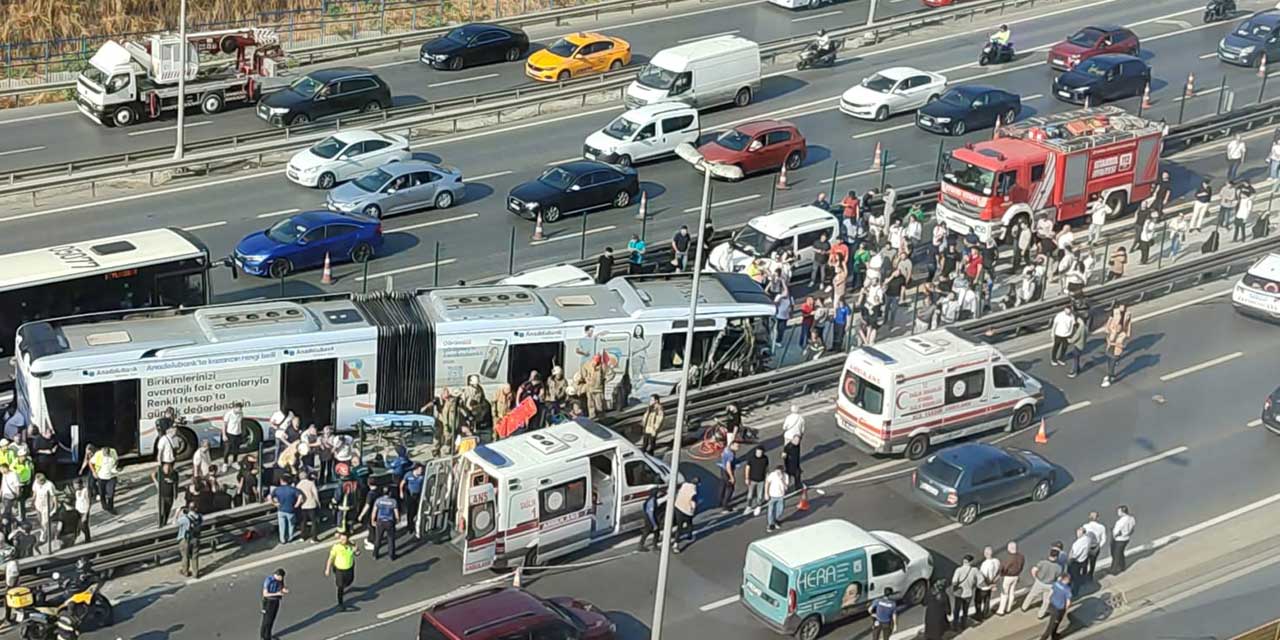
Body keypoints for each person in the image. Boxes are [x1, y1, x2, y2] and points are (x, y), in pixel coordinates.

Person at [1023, 547, 1063, 618]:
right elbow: (1059, 579)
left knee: (1031, 595)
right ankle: (1040, 615)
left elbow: (1034, 570)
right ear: (1057, 557)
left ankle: (1024, 607)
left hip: (1040, 582)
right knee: (1046, 601)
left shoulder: (1042, 562)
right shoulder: (1058, 567)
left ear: (1050, 554)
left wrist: (1035, 577)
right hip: (1050, 585)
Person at [325, 532, 360, 610]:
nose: (343, 540)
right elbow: (331, 558)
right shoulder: (336, 547)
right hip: (339, 569)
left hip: (349, 568)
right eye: (341, 539)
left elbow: (358, 553)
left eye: (344, 539)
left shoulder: (351, 545)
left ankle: (345, 586)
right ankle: (340, 603)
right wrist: (327, 569)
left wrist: (356, 550)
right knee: (340, 586)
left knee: (350, 581)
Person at [1102, 303, 1132, 388]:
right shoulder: (1115, 313)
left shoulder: (1122, 335)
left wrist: (1127, 332)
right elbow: (1110, 319)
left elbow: (1128, 323)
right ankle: (1111, 375)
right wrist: (1108, 328)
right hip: (1110, 347)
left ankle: (1109, 377)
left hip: (1116, 351)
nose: (1122, 308)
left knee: (1112, 362)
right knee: (1109, 361)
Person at [371, 487, 400, 561]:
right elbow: (396, 513)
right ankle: (391, 555)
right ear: (389, 493)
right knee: (390, 539)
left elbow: (374, 511)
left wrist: (373, 520)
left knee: (378, 539)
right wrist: (397, 520)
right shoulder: (393, 501)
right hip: (389, 522)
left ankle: (375, 554)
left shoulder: (378, 500)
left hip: (380, 521)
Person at [951, 554, 979, 630]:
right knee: (965, 610)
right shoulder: (974, 570)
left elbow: (954, 582)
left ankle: (955, 626)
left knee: (956, 610)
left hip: (959, 594)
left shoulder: (958, 570)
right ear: (970, 562)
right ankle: (963, 624)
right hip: (968, 593)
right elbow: (978, 581)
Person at [997, 540, 1025, 615]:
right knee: (1012, 592)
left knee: (1004, 593)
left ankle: (1001, 610)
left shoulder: (1008, 558)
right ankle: (1008, 608)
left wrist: (1001, 574)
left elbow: (1003, 568)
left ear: (1009, 548)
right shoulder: (1021, 556)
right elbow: (1022, 566)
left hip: (1008, 577)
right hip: (1016, 576)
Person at [270, 477, 302, 545]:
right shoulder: (293, 489)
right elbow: (300, 496)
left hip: (281, 510)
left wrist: (274, 503)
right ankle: (290, 538)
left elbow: (270, 497)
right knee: (291, 525)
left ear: (281, 481)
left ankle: (283, 540)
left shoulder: (277, 489)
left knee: (282, 526)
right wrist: (297, 504)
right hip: (291, 510)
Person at [1041, 574, 1072, 640]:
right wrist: (1065, 609)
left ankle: (1054, 634)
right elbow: (1068, 602)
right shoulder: (1067, 589)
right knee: (1052, 624)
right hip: (1059, 609)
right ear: (1066, 580)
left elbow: (1051, 592)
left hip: (1052, 605)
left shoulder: (1056, 584)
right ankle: (1044, 638)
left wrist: (1048, 601)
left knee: (1054, 622)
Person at [176, 504, 202, 578]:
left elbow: (175, 523)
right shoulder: (200, 517)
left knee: (185, 556)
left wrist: (177, 513)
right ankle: (195, 572)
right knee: (195, 556)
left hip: (186, 539)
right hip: (196, 538)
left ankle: (185, 571)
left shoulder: (185, 519)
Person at [260, 568, 288, 640]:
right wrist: (277, 593)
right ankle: (265, 636)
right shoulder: (269, 580)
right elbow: (265, 594)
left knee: (272, 619)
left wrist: (283, 590)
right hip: (269, 602)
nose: (281, 579)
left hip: (276, 601)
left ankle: (268, 634)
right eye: (281, 577)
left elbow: (281, 587)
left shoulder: (280, 580)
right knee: (267, 620)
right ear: (277, 575)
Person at [672, 478, 698, 553]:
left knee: (679, 526)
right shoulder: (694, 492)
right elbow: (693, 503)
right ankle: (689, 536)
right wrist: (693, 509)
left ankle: (676, 543)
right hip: (686, 510)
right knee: (689, 523)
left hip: (678, 506)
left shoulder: (684, 485)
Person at [976, 545, 1001, 621]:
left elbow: (982, 576)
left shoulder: (985, 564)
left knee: (978, 601)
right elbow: (998, 572)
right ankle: (986, 613)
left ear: (986, 554)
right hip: (991, 584)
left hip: (983, 586)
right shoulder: (996, 561)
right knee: (987, 600)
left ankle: (979, 615)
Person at [30, 473, 57, 541]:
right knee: (40, 520)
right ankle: (44, 530)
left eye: (39, 482)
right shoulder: (36, 482)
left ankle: (44, 534)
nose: (37, 483)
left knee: (45, 522)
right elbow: (35, 492)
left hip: (47, 506)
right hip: (38, 505)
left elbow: (54, 497)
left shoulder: (49, 485)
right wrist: (32, 501)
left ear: (42, 480)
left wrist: (55, 507)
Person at [743, 447, 769, 516]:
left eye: (760, 452)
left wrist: (767, 477)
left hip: (761, 480)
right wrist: (747, 478)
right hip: (752, 480)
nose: (758, 454)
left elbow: (766, 468)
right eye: (757, 452)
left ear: (763, 452)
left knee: (760, 495)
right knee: (750, 494)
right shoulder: (751, 458)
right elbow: (747, 468)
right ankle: (748, 506)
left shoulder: (765, 458)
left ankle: (758, 506)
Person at [153, 462, 180, 527]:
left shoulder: (174, 474)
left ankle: (164, 523)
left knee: (167, 511)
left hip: (170, 496)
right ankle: (161, 524)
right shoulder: (160, 473)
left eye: (168, 468)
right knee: (162, 511)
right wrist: (155, 482)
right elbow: (153, 476)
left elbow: (176, 484)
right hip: (162, 496)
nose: (166, 470)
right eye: (165, 468)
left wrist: (176, 494)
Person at [297, 473, 321, 542]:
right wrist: (318, 502)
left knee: (303, 522)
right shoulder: (311, 483)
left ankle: (302, 536)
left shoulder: (298, 485)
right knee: (314, 522)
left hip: (303, 506)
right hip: (311, 505)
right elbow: (315, 493)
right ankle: (314, 538)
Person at [1112, 505, 1136, 573]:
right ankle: (1122, 566)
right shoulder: (1132, 518)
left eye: (1119, 511)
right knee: (1121, 552)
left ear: (1122, 512)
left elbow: (1116, 532)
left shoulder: (1120, 522)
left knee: (1116, 554)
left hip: (1120, 539)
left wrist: (1114, 536)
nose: (1118, 513)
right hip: (1127, 538)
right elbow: (1132, 529)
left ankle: (1114, 570)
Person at [1066, 307, 1088, 378]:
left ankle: (1074, 372)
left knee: (1075, 359)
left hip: (1078, 345)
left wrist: (1069, 340)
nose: (1077, 319)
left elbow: (1075, 337)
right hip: (1082, 345)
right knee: (1077, 358)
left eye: (1078, 319)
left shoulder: (1081, 328)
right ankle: (1077, 369)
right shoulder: (1085, 327)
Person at [765, 465, 788, 532]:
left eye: (779, 472)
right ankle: (770, 524)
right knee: (770, 511)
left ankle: (775, 519)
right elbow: (767, 483)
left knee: (780, 510)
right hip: (772, 496)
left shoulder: (785, 476)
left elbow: (786, 487)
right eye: (777, 472)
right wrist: (766, 493)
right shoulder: (772, 475)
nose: (777, 473)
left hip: (781, 496)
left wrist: (782, 479)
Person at [1068, 527, 1091, 593]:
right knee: (1081, 573)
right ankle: (1081, 582)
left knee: (1074, 576)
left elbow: (1074, 555)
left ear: (1082, 533)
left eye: (1078, 533)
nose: (1077, 534)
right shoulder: (1088, 539)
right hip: (1084, 559)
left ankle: (1074, 590)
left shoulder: (1077, 543)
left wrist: (1070, 559)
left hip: (1076, 562)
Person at [718, 442, 739, 510]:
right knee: (730, 488)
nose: (738, 448)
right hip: (727, 472)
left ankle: (720, 502)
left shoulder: (726, 449)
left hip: (722, 470)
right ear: (732, 445)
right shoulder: (731, 454)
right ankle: (725, 505)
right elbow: (728, 466)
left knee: (722, 486)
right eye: (736, 446)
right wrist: (732, 477)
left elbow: (721, 454)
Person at [72, 479, 91, 544]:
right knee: (78, 525)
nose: (75, 487)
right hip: (77, 510)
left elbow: (89, 502)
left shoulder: (86, 491)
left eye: (76, 485)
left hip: (84, 511)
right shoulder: (77, 492)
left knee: (84, 525)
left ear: (80, 484)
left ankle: (88, 539)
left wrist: (86, 514)